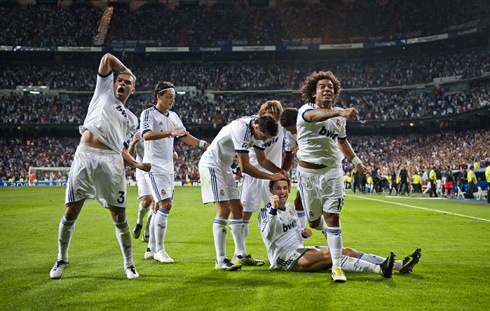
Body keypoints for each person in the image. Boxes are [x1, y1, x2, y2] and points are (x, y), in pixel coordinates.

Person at [49, 53, 150, 280]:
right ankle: (61, 259)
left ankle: (129, 264)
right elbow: (106, 58)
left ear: (132, 91)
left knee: (119, 216)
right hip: (86, 156)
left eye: (128, 83)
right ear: (113, 83)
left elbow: (123, 150)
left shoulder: (132, 119)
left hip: (112, 162)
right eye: (120, 80)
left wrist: (137, 164)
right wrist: (128, 70)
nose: (122, 83)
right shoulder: (103, 91)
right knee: (71, 210)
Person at [258, 179, 422, 276]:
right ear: (270, 189)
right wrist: (272, 209)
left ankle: (400, 265)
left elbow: (294, 236)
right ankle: (379, 269)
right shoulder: (265, 212)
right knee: (331, 255)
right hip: (283, 258)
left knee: (347, 251)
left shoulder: (289, 208)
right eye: (278, 188)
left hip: (298, 251)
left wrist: (303, 234)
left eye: (285, 188)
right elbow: (269, 234)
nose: (282, 192)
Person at [296, 71, 367, 282]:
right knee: (314, 221)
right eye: (322, 87)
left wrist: (357, 162)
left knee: (333, 216)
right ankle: (328, 233)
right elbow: (313, 117)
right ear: (313, 93)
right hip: (307, 174)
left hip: (332, 172)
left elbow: (342, 142)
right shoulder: (307, 110)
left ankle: (336, 267)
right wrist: (341, 112)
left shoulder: (338, 118)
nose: (327, 89)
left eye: (331, 87)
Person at [198, 114, 288, 271]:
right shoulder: (241, 129)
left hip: (224, 167)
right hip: (211, 165)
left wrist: (281, 172)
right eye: (264, 136)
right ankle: (220, 260)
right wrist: (272, 176)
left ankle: (241, 254)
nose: (265, 140)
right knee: (224, 210)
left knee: (238, 209)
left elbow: (263, 161)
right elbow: (245, 167)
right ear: (257, 127)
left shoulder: (257, 129)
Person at [141, 81, 209, 264]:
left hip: (168, 167)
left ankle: (151, 248)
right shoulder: (149, 113)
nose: (172, 100)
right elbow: (146, 134)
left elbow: (184, 135)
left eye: (174, 97)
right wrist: (170, 133)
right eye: (169, 97)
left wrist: (203, 145)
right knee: (165, 204)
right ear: (159, 96)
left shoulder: (173, 116)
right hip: (153, 165)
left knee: (158, 206)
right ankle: (159, 250)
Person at [240, 101, 292, 265]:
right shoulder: (254, 126)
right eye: (268, 116)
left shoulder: (282, 127)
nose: (272, 119)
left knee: (277, 213)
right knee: (245, 214)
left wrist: (282, 171)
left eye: (275, 116)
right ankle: (239, 253)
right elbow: (262, 160)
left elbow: (290, 148)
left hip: (274, 175)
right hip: (255, 173)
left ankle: (284, 252)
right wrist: (280, 171)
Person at [128, 132, 153, 242]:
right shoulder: (137, 134)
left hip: (158, 169)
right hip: (142, 169)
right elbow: (129, 155)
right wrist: (133, 143)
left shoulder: (160, 130)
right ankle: (139, 221)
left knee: (158, 203)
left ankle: (147, 233)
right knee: (147, 201)